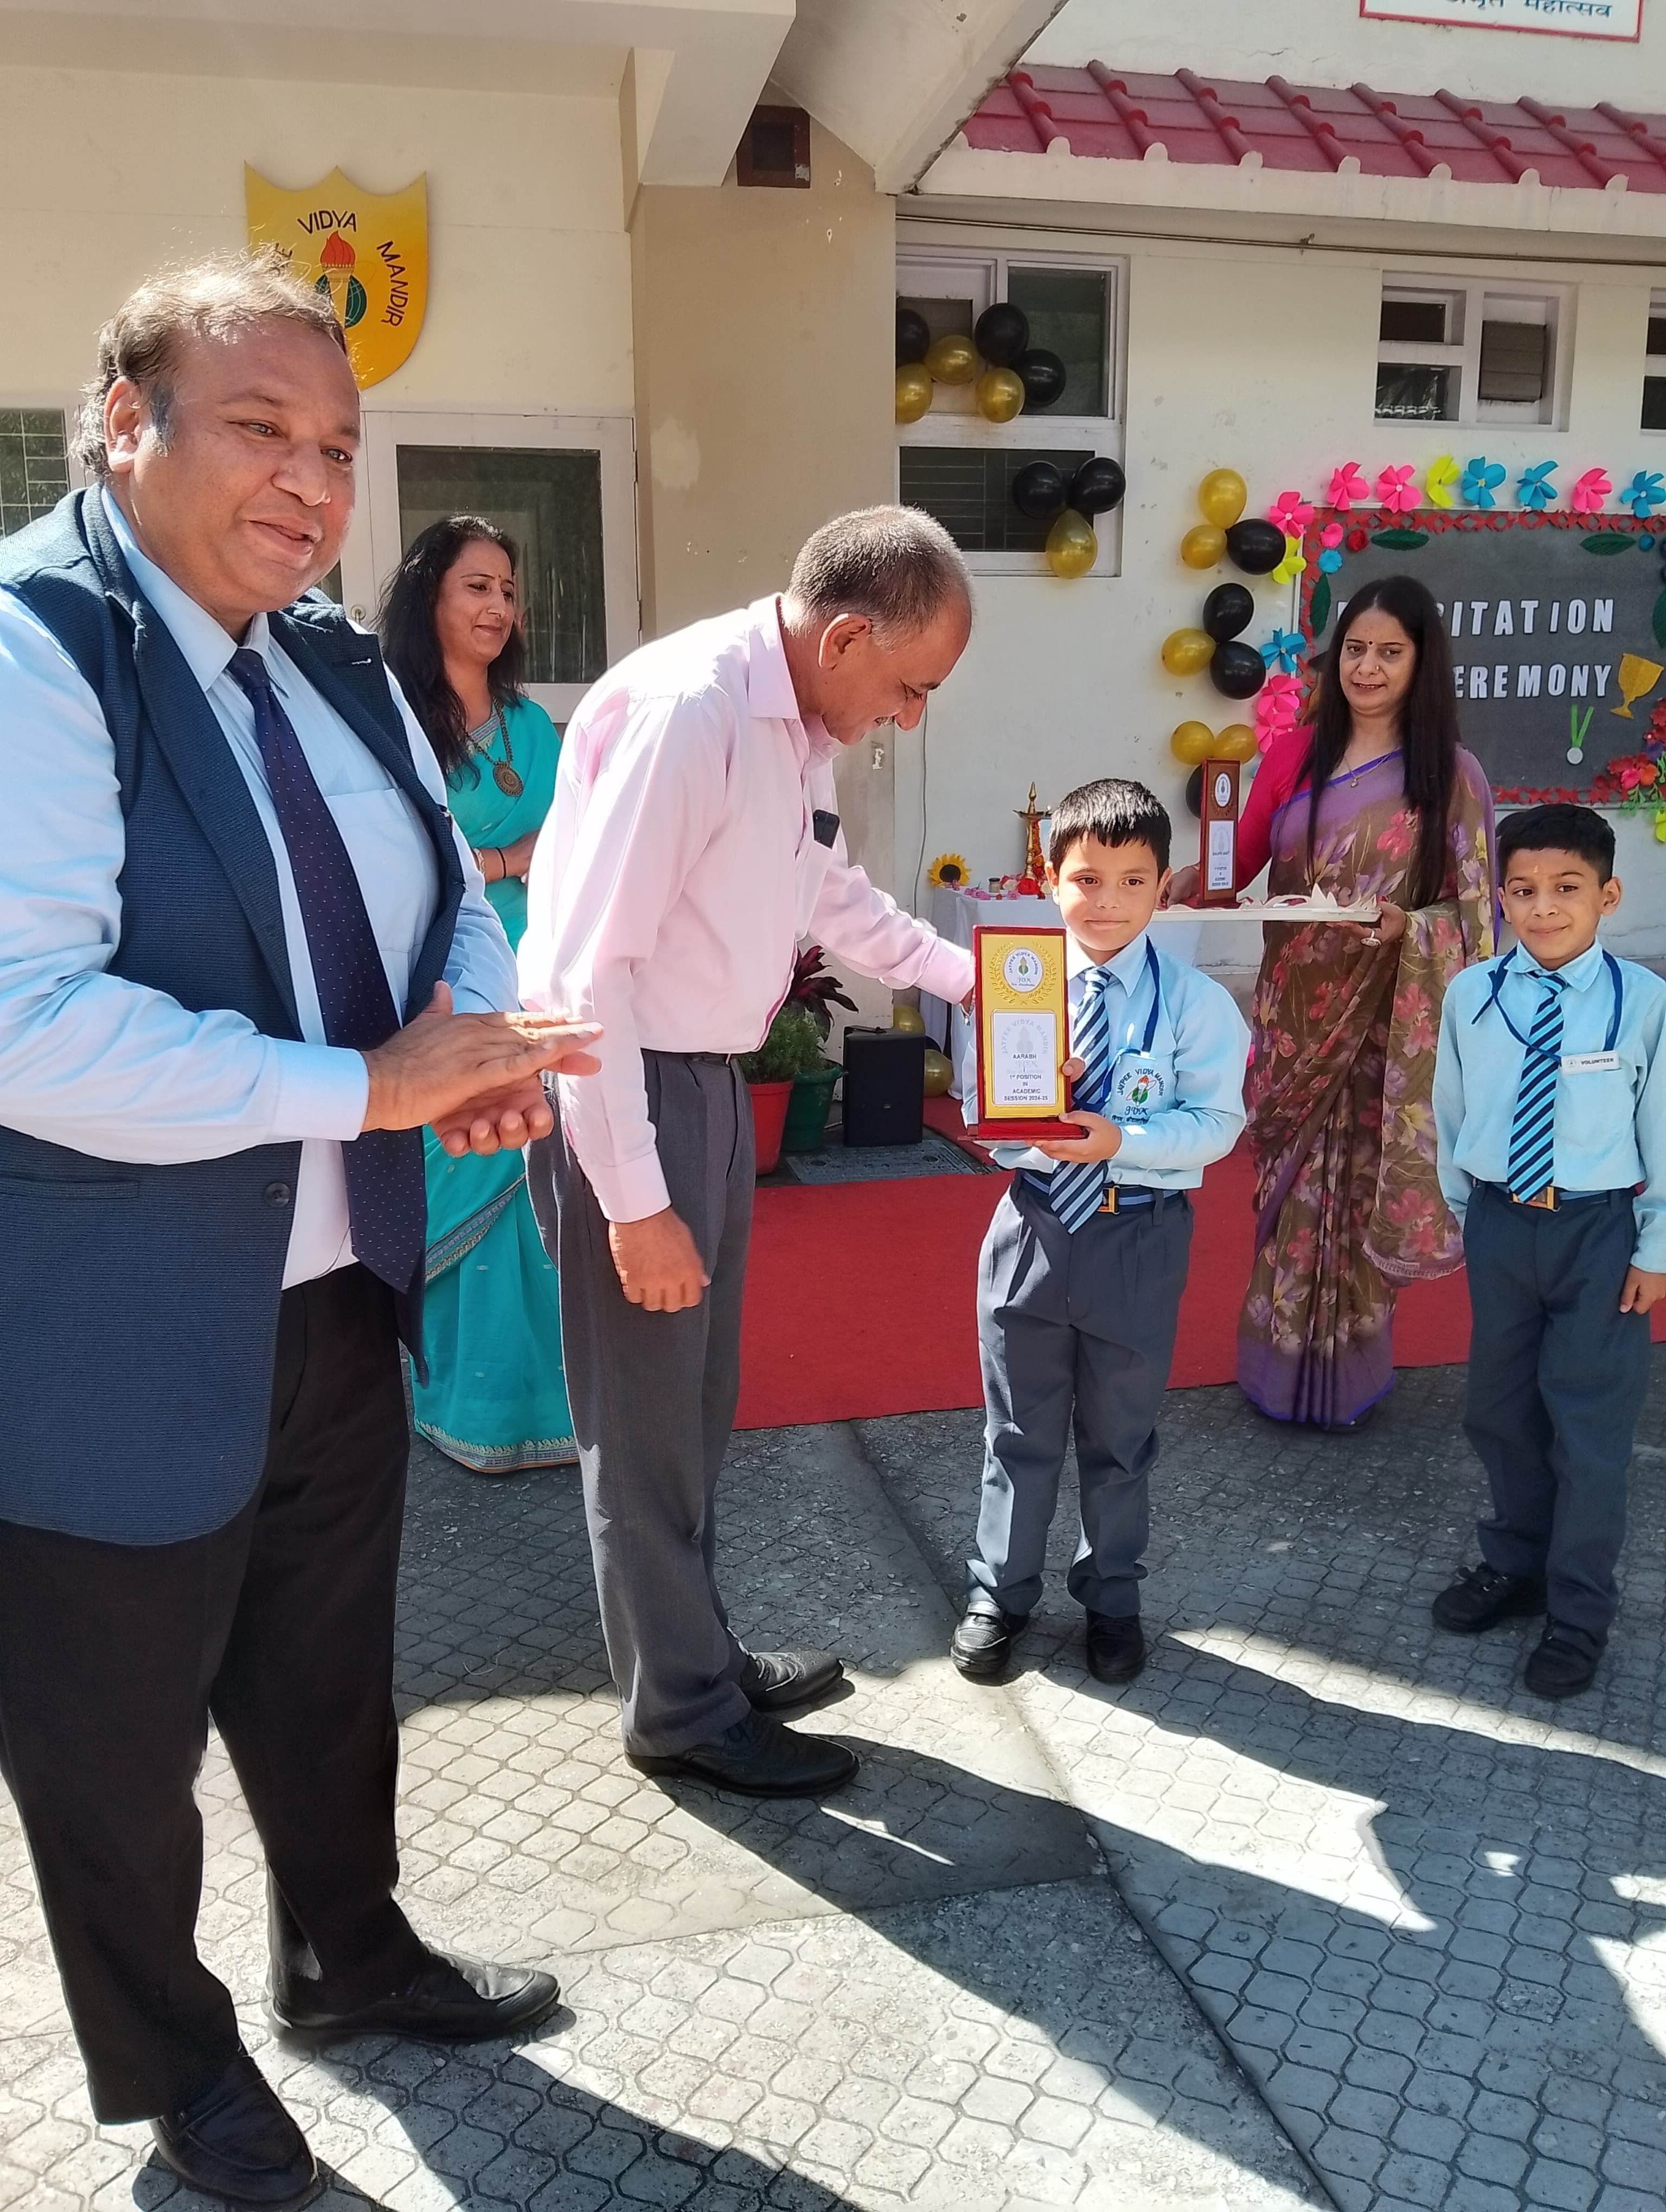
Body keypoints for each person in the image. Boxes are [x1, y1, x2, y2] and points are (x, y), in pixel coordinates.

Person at [0, 254, 601, 2207]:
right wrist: (370, 1088)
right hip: (108, 1318)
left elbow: (455, 901)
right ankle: (180, 2072)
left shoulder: (335, 659)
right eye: (260, 427)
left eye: (338, 447)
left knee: (330, 1674)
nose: (312, 482)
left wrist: (475, 1044)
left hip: (338, 1278)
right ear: (125, 423)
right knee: (111, 1743)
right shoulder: (33, 648)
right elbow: (26, 1020)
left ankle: (352, 1955)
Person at [520, 506, 977, 1797]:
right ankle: (679, 1708)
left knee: (695, 1408)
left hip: (705, 1084)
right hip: (632, 1090)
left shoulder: (795, 729)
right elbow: (585, 975)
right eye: (911, 686)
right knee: (645, 1424)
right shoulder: (692, 713)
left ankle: (698, 1654)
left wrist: (980, 987)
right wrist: (631, 1201)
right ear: (845, 638)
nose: (908, 717)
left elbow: (833, 897)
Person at [1169, 575, 1497, 1430]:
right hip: (1296, 1022)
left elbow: (1477, 917)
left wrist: (1409, 928)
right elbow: (1237, 864)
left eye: (1390, 652)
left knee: (1353, 1196)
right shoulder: (1293, 755)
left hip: (1386, 1020)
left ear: (1421, 663)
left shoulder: (1451, 776)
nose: (1368, 667)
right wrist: (1179, 880)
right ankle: (1277, 1369)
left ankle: (1346, 1377)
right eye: (1355, 649)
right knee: (1290, 1194)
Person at [950, 780, 1248, 1686]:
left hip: (1137, 1237)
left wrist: (1120, 1141)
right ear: (1050, 881)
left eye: (1132, 880)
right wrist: (1035, 1112)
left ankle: (1113, 1596)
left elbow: (1217, 1126)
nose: (1107, 901)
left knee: (1122, 1437)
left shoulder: (1196, 1003)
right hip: (1034, 1229)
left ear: (1165, 885)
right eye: (1086, 879)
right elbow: (980, 1115)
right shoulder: (1014, 989)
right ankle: (1000, 1593)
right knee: (1018, 1430)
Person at [1432, 803, 1666, 1700]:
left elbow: (1662, 1131)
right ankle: (1515, 1564)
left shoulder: (1642, 1003)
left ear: (1609, 895)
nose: (1544, 907)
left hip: (1598, 1234)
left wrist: (1656, 1247)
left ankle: (1579, 1611)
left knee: (1588, 1428)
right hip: (1502, 1223)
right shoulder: (1473, 995)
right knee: (1499, 1411)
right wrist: (1471, 1217)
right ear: (1502, 899)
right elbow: (1452, 1113)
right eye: (1523, 890)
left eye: (1567, 888)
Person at [381, 516, 576, 1472]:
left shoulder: (533, 727)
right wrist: (504, 860)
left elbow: (575, 841)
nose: (498, 606)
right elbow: (385, 853)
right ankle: (466, 1403)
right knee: (467, 1157)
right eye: (477, 587)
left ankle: (553, 1405)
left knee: (537, 1172)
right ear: (431, 595)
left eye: (507, 590)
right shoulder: (388, 718)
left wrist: (537, 865)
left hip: (538, 971)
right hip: (439, 975)